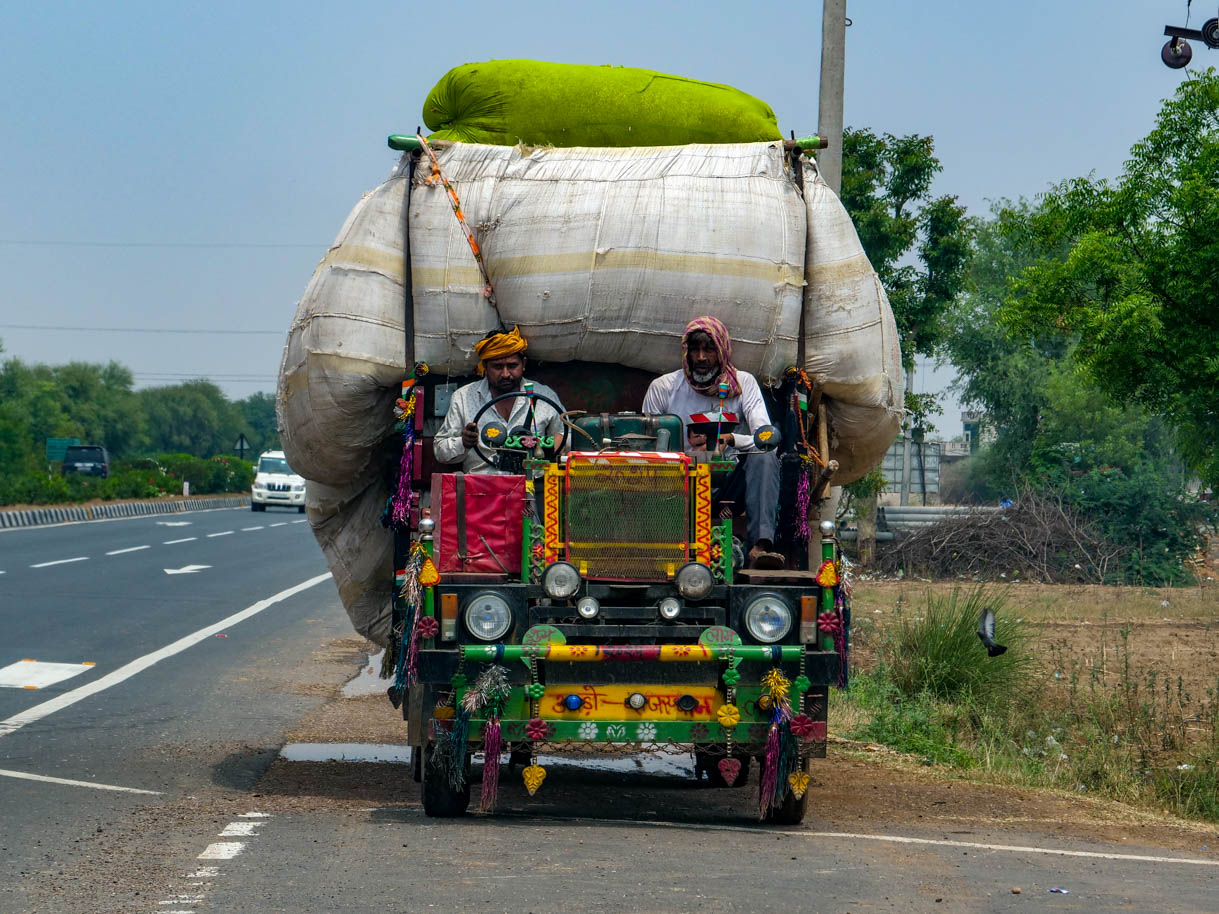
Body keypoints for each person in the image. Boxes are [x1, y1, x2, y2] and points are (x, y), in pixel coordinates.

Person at [642, 316, 783, 569]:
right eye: (695, 350)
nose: (701, 358)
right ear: (686, 352)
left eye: (709, 349)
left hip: (728, 485)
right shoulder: (663, 388)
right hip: (679, 485)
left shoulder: (743, 383)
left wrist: (730, 439)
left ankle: (760, 547)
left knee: (765, 457)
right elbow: (647, 447)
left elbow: (765, 440)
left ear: (722, 351)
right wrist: (685, 451)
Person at [434, 326, 566, 474]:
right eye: (497, 367)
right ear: (485, 366)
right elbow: (440, 450)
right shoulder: (463, 397)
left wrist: (548, 447)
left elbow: (566, 436)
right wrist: (463, 442)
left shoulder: (543, 396)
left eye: (512, 366)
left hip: (533, 488)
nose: (505, 374)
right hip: (482, 490)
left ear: (524, 364)